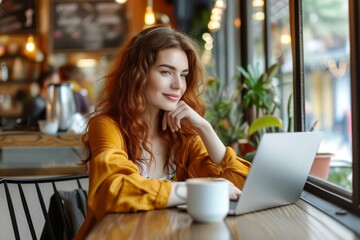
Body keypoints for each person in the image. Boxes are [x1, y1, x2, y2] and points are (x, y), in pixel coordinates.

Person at [74, 25, 251, 239]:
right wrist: (197, 191)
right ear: (137, 75)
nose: (178, 85)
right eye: (166, 72)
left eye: (184, 75)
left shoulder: (182, 133)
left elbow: (243, 190)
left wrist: (205, 128)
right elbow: (114, 189)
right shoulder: (106, 126)